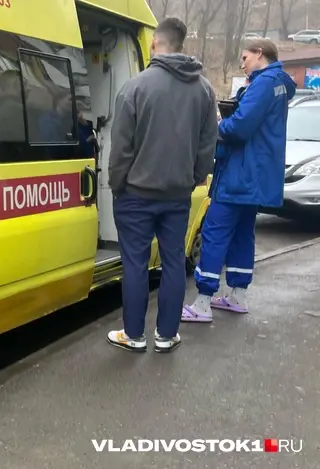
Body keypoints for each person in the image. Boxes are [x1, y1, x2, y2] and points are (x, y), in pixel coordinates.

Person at [106, 17, 217, 353]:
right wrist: (193, 178)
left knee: (135, 264)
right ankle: (167, 335)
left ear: (155, 43)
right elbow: (207, 146)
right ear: (182, 45)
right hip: (178, 195)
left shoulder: (135, 87)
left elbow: (121, 149)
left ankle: (134, 335)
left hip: (135, 195)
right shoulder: (205, 90)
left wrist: (117, 185)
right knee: (173, 262)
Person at [182, 39, 296, 322]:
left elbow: (241, 127)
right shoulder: (279, 84)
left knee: (214, 232)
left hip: (239, 175)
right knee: (243, 234)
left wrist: (219, 125)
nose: (242, 63)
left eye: (245, 57)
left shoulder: (264, 83)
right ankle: (237, 296)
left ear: (260, 54)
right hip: (255, 177)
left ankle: (203, 303)